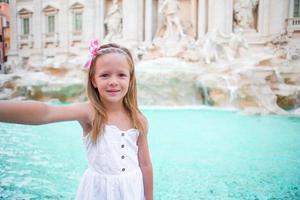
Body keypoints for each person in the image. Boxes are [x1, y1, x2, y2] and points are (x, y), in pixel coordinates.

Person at [0, 40, 153, 200]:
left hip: (131, 191)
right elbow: (46, 112)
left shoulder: (139, 120)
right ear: (94, 80)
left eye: (121, 75)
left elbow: (145, 165)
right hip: (98, 192)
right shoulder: (90, 112)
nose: (113, 81)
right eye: (105, 75)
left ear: (130, 79)